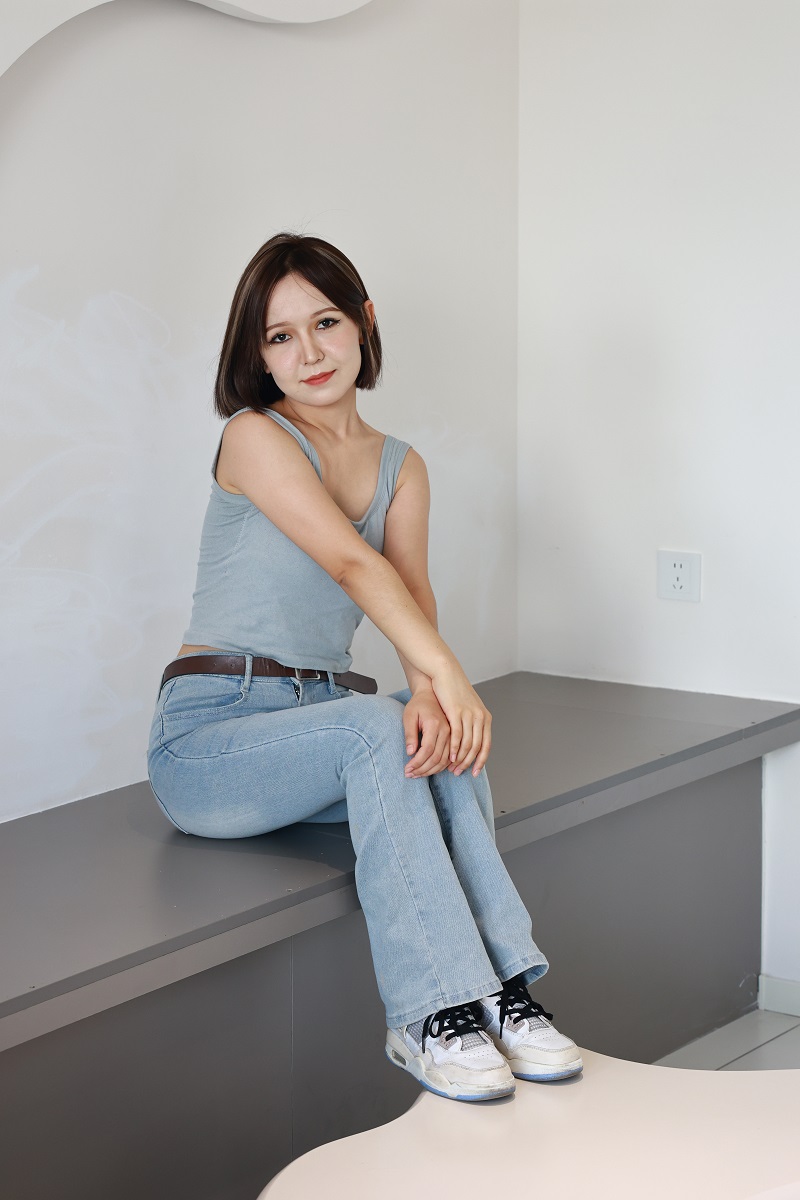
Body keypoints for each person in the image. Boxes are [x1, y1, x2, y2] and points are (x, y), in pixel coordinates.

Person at [147, 232, 582, 1103]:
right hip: (210, 740)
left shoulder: (400, 467)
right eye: (279, 336)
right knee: (392, 719)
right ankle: (428, 1014)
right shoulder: (254, 436)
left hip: (321, 732)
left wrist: (438, 694)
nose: (308, 353)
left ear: (364, 323)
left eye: (325, 323)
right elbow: (354, 566)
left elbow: (410, 598)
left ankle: (503, 991)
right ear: (257, 355)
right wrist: (449, 679)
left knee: (436, 732)